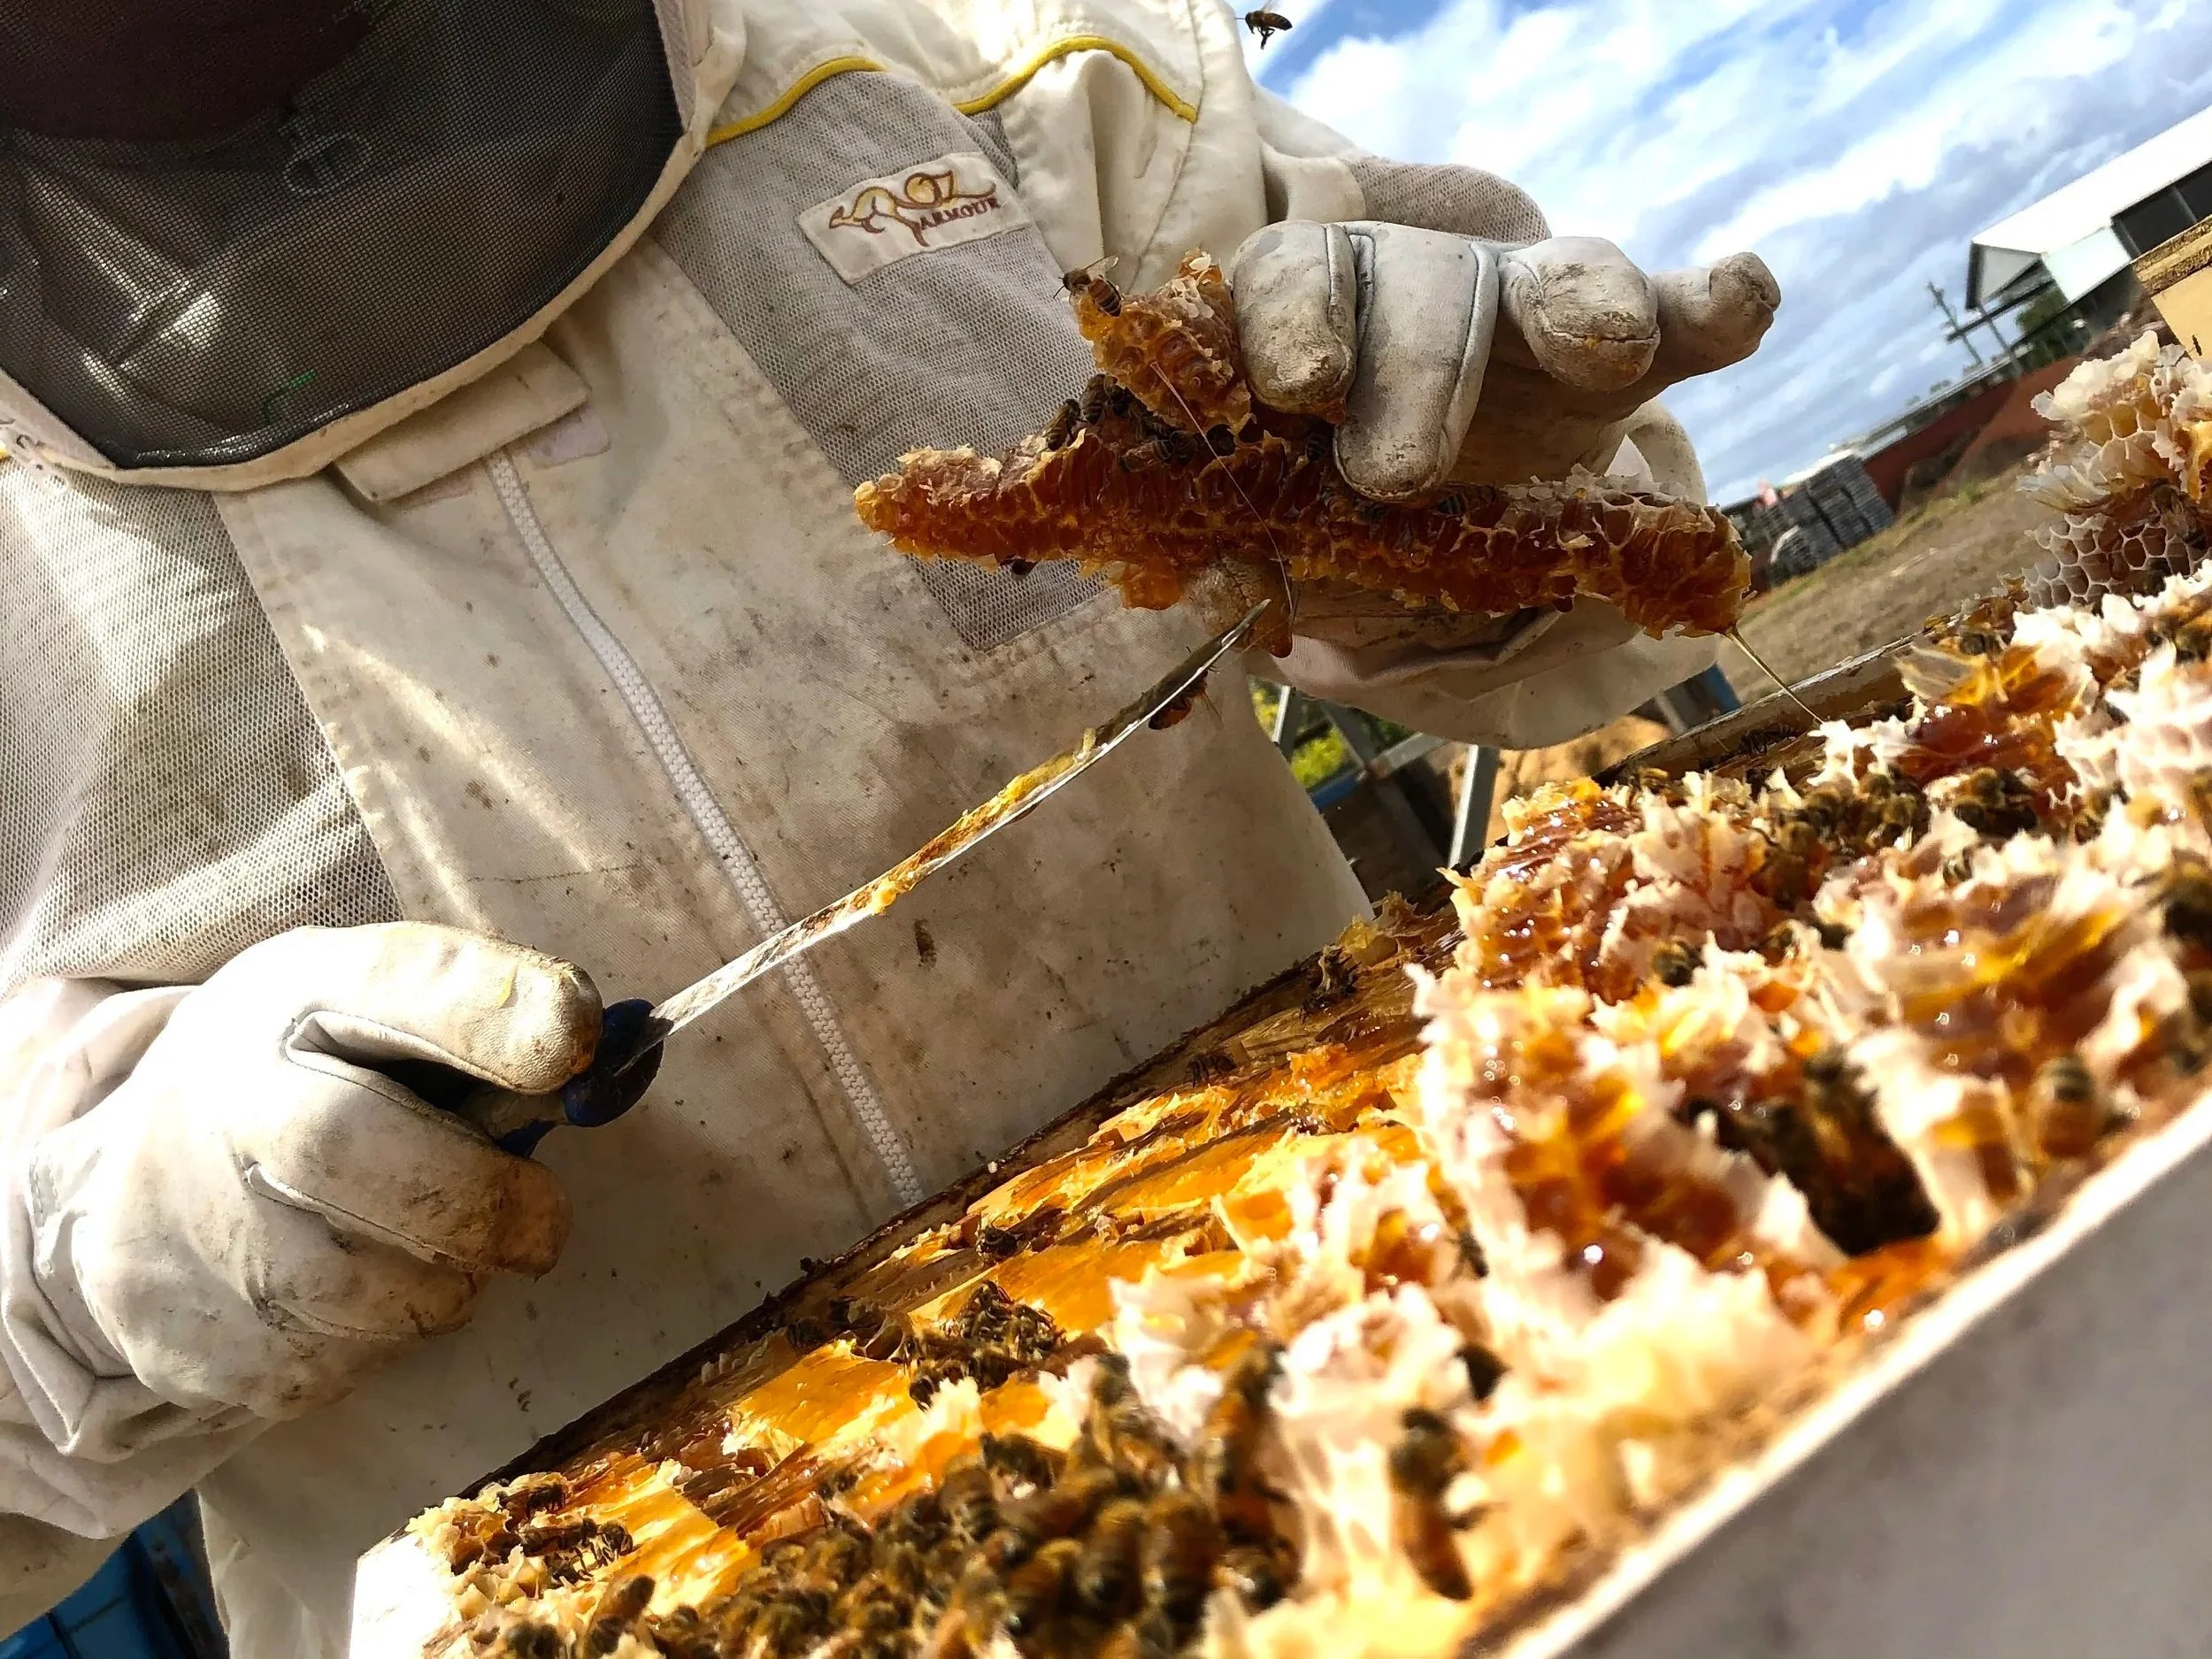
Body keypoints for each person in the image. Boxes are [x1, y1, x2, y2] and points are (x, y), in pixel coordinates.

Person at [0, 1, 1778, 1651]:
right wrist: (90, 1262)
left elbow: (1601, 562)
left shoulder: (979, 52)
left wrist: (1489, 490)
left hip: (1520, 1437)